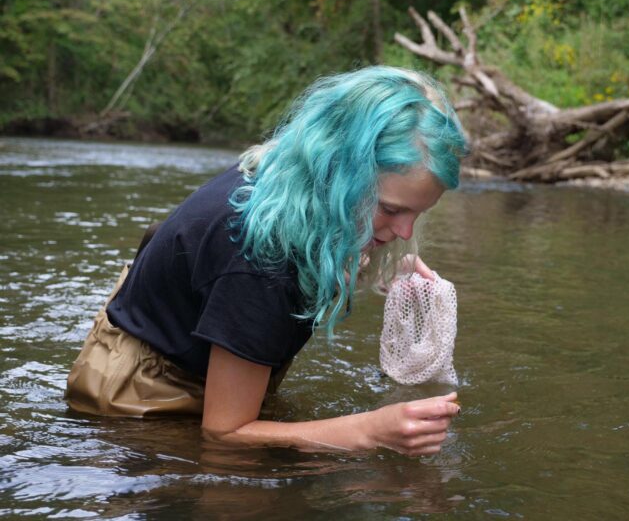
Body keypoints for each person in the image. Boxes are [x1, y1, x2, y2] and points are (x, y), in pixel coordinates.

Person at [65, 66, 468, 456]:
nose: (405, 234)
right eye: (391, 210)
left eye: (417, 213)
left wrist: (378, 259)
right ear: (337, 172)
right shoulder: (261, 259)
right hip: (136, 406)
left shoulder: (290, 172)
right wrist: (369, 429)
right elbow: (224, 434)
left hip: (173, 342)